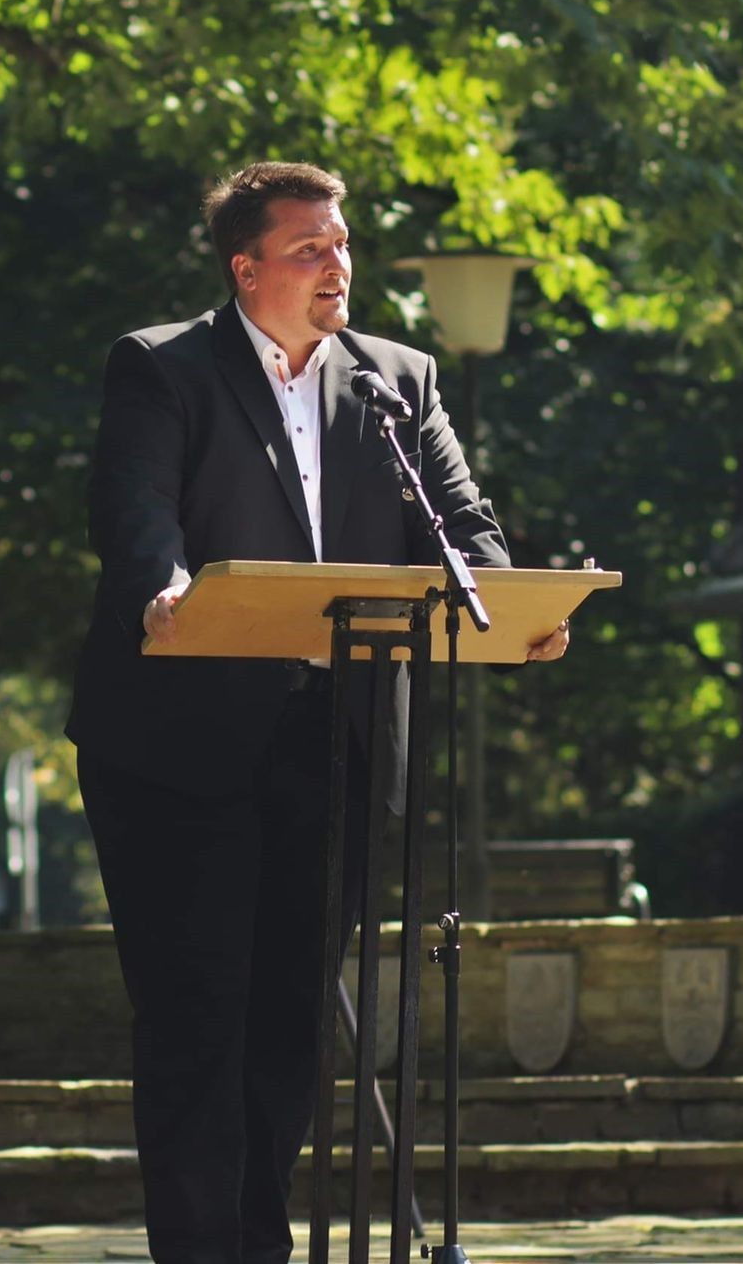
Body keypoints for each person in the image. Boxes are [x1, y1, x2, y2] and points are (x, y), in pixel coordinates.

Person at [67, 162, 567, 1263]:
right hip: (177, 744)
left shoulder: (397, 382)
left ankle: (261, 1244)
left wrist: (515, 606)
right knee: (198, 1015)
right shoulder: (162, 367)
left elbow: (461, 524)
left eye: (341, 244)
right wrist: (161, 586)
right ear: (246, 268)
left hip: (333, 741)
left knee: (293, 1016)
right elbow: (135, 508)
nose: (337, 264)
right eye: (309, 248)